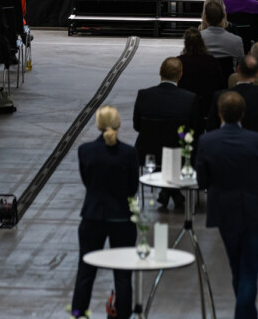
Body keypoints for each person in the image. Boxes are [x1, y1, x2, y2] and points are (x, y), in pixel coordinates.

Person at [196, 90, 258, 319]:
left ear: (220, 113)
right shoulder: (257, 139)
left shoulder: (207, 141)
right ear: (243, 114)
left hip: (225, 210)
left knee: (237, 268)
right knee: (249, 270)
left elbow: (202, 181)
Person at [70, 106, 139, 319]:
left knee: (86, 271)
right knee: (123, 274)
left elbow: (87, 182)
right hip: (121, 219)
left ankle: (78, 313)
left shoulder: (85, 151)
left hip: (92, 216)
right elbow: (132, 188)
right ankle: (124, 315)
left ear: (98, 125)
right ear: (118, 125)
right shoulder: (129, 153)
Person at [133, 57, 200, 209]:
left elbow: (137, 126)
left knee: (163, 148)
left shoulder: (144, 95)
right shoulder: (189, 98)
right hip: (181, 154)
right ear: (180, 75)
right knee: (178, 147)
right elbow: (194, 130)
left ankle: (167, 191)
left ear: (160, 72)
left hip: (149, 152)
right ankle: (172, 192)